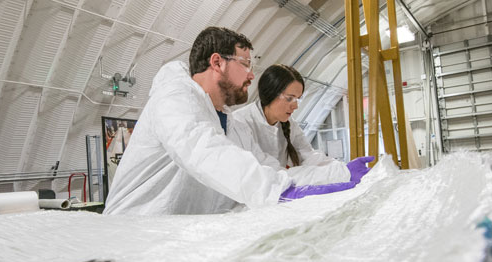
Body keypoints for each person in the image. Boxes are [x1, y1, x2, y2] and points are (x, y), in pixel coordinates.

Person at [103, 27, 355, 215]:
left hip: (174, 236)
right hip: (132, 232)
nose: (251, 74)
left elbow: (268, 168)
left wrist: (337, 174)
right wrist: (277, 191)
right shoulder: (174, 98)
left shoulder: (229, 123)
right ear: (217, 62)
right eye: (245, 63)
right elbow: (204, 151)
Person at [234, 64, 373, 186]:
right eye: (289, 98)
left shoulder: (289, 125)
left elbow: (308, 156)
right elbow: (270, 172)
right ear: (269, 94)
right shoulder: (240, 122)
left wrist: (342, 168)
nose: (295, 106)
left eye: (297, 99)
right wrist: (337, 174)